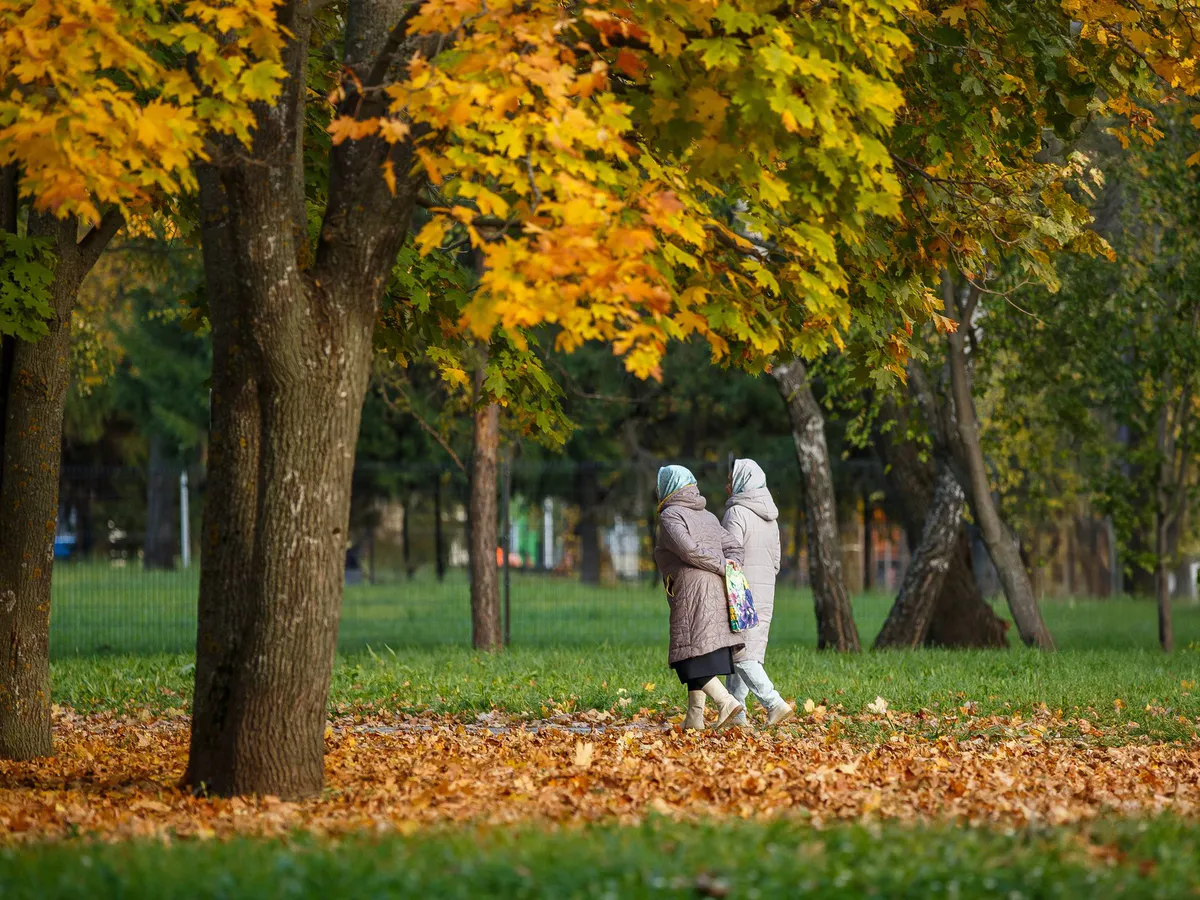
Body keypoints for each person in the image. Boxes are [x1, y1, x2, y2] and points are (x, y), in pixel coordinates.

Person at [654, 464, 746, 731]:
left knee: (686, 658)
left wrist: (722, 566)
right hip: (716, 588)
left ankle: (725, 701)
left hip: (693, 590)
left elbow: (689, 551)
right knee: (699, 650)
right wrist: (731, 566)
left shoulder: (670, 516)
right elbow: (734, 547)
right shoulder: (707, 515)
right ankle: (694, 718)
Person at [721, 458, 795, 727]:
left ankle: (773, 702)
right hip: (765, 592)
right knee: (743, 651)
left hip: (739, 593)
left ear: (742, 483)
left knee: (741, 653)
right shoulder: (771, 517)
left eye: (731, 480)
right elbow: (776, 561)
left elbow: (730, 556)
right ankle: (736, 715)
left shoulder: (737, 513)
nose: (727, 486)